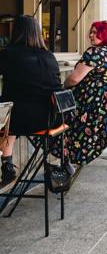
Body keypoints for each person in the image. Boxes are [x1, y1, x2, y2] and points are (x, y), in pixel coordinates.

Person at [0, 15, 62, 187]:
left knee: (6, 116)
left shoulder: (8, 55)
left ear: (16, 32)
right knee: (11, 115)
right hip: (50, 120)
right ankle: (7, 164)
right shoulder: (49, 56)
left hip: (19, 119)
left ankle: (7, 165)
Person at [62, 20, 107, 165]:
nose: (90, 35)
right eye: (91, 31)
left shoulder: (94, 52)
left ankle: (67, 158)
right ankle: (73, 160)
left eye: (95, 32)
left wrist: (63, 86)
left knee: (58, 120)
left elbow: (74, 79)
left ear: (105, 34)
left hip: (89, 106)